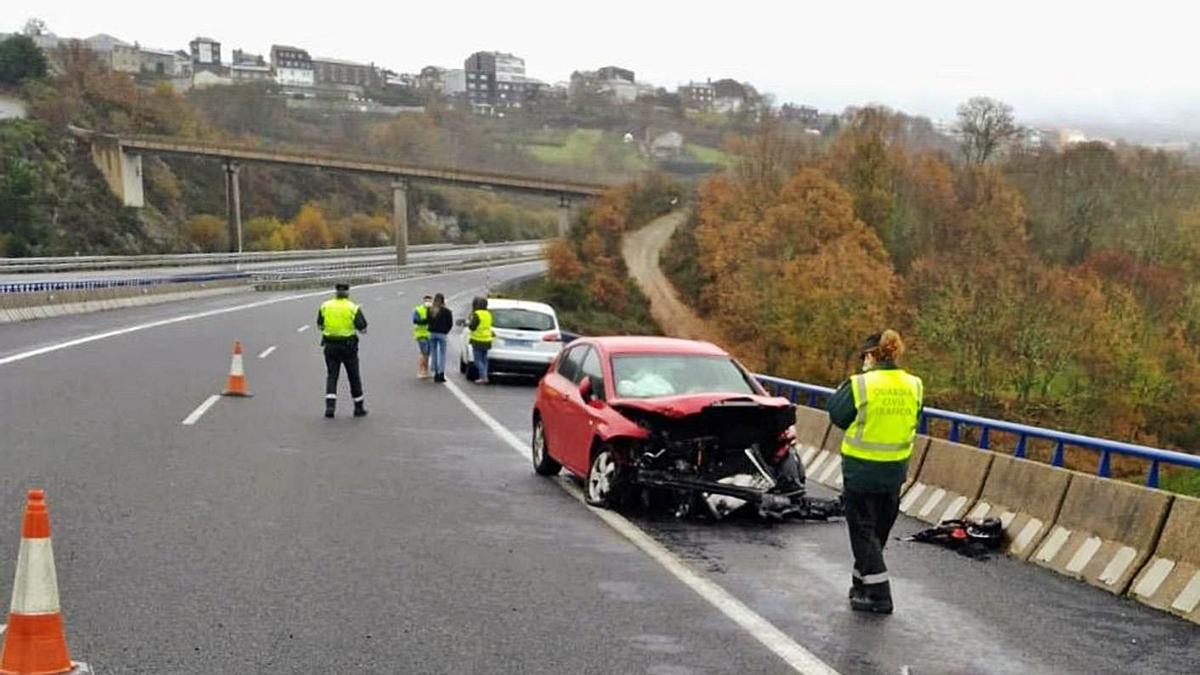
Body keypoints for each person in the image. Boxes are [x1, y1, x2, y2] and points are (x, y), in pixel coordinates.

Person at [826, 329, 923, 614]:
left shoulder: (861, 384)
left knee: (863, 532)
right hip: (895, 472)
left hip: (862, 470)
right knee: (877, 532)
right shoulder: (914, 384)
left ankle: (880, 595)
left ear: (871, 355)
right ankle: (861, 585)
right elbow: (915, 418)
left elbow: (837, 415)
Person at [317, 282, 369, 418]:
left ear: (335, 292)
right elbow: (362, 328)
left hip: (330, 345)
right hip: (348, 346)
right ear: (348, 292)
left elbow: (320, 325)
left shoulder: (325, 306)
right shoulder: (352, 307)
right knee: (353, 376)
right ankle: (359, 407)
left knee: (332, 375)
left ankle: (330, 407)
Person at [466, 296, 493, 384]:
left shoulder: (477, 314)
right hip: (487, 339)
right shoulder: (488, 314)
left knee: (478, 361)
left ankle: (483, 377)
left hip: (478, 339)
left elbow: (472, 327)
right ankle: (485, 376)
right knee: (484, 359)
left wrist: (468, 324)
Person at [427, 293, 453, 383]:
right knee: (442, 354)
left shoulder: (430, 310)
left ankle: (435, 373)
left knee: (434, 354)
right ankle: (441, 374)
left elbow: (428, 321)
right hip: (442, 334)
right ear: (443, 301)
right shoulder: (447, 311)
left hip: (432, 333)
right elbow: (450, 324)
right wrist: (446, 331)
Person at [413, 295, 432, 378]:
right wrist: (426, 320)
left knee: (427, 354)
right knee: (423, 353)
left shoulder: (433, 310)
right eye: (427, 301)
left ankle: (426, 371)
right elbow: (416, 320)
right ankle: (420, 371)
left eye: (430, 301)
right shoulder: (418, 310)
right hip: (421, 334)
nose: (428, 302)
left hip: (430, 334)